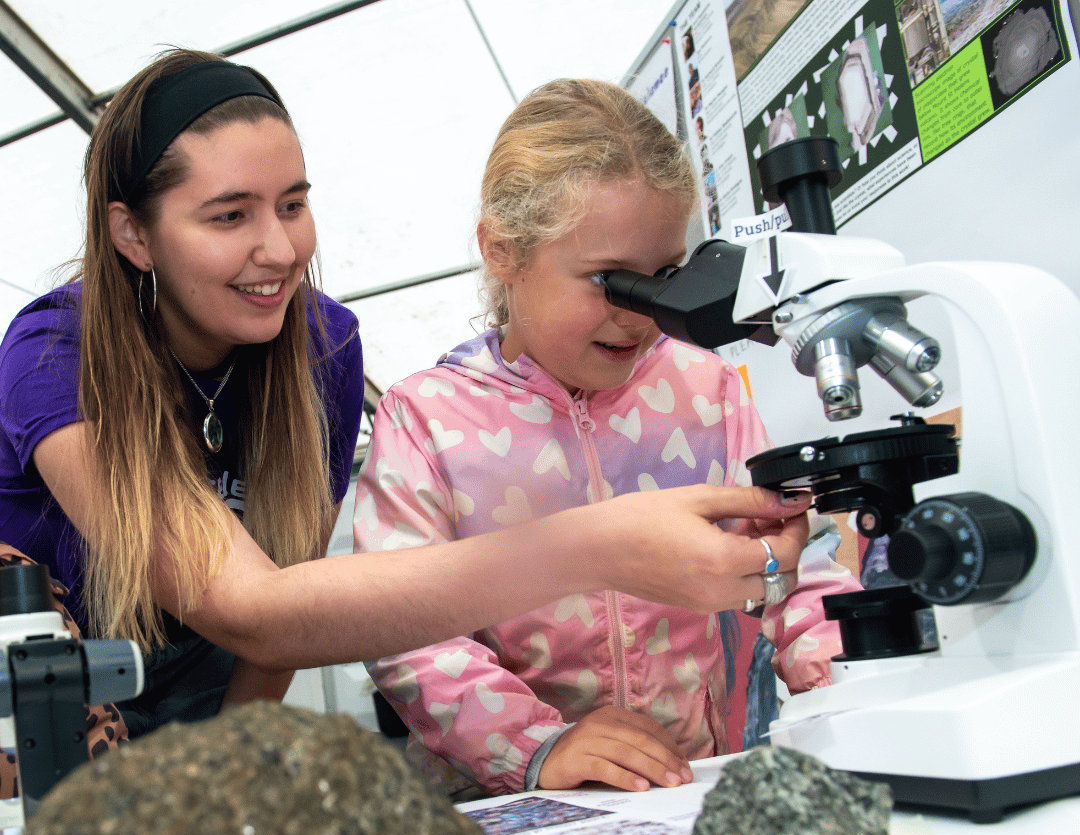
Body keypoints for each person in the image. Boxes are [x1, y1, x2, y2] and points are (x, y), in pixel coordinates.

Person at [0, 53, 814, 769]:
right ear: (134, 235)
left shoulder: (316, 349)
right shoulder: (54, 358)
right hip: (42, 714)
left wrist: (219, 773)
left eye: (292, 204)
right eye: (229, 215)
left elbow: (303, 600)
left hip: (203, 698)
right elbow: (254, 610)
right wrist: (596, 548)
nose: (281, 250)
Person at [352, 79, 858, 802]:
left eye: (666, 277)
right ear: (504, 251)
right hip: (506, 805)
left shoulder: (706, 392)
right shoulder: (426, 418)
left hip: (685, 788)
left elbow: (792, 563)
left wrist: (843, 677)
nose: (642, 312)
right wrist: (537, 746)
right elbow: (401, 626)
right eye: (610, 281)